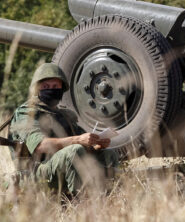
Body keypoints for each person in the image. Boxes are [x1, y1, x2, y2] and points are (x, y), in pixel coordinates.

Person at [8, 63, 118, 194]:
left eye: (55, 86)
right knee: (75, 150)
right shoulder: (27, 113)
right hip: (37, 173)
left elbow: (84, 143)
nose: (51, 89)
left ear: (62, 88)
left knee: (109, 154)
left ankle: (107, 196)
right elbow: (39, 146)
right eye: (46, 86)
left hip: (63, 165)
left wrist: (97, 145)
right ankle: (79, 204)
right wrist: (78, 140)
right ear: (37, 89)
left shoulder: (64, 115)